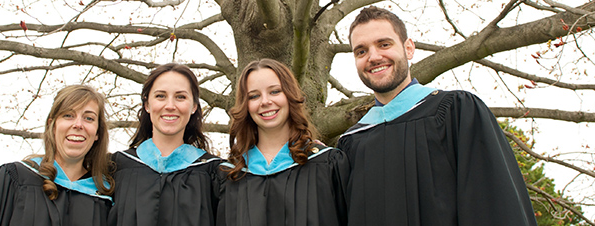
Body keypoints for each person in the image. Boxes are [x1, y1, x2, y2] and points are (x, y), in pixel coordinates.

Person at [336, 6, 538, 226]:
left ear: (409, 48)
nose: (374, 57)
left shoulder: (457, 112)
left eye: (384, 44)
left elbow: (495, 206)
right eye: (361, 51)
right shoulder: (351, 143)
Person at [217, 59, 350, 226]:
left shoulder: (326, 164)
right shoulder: (230, 176)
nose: (265, 101)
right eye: (254, 96)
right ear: (246, 105)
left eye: (275, 91)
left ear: (289, 95)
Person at [0, 84, 114, 226]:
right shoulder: (15, 178)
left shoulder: (106, 197)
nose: (78, 125)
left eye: (89, 118)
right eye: (68, 115)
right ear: (52, 125)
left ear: (97, 133)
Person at [109, 63, 223, 226]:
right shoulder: (117, 168)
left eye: (181, 97)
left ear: (194, 107)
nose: (170, 106)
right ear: (147, 105)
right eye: (160, 96)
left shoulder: (214, 174)